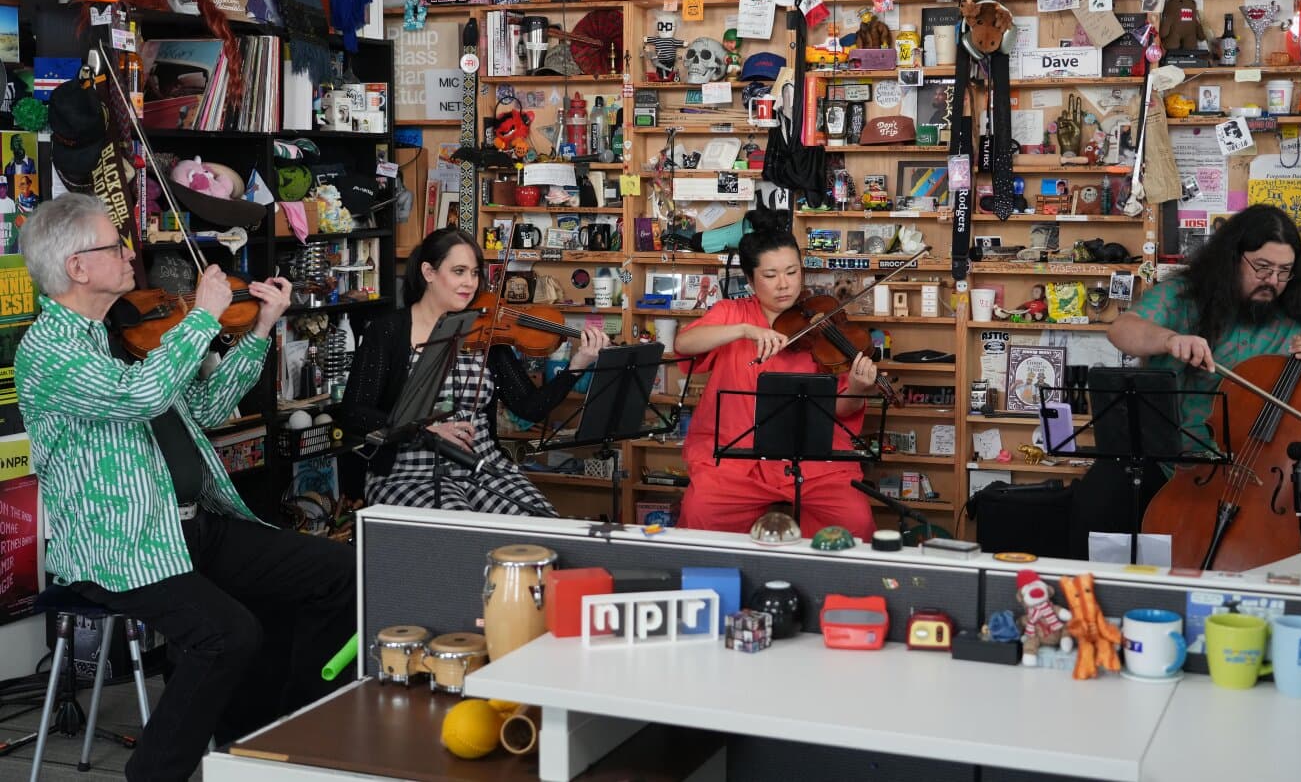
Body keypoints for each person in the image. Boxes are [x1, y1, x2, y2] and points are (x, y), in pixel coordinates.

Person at [14, 194, 355, 781]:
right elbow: (138, 398)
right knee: (229, 635)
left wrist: (260, 330)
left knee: (336, 573)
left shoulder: (120, 338)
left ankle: (279, 740)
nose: (129, 253)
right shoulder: (50, 351)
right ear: (76, 268)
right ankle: (154, 772)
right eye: (114, 245)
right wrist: (201, 316)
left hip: (190, 526)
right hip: (121, 547)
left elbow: (203, 407)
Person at [1068, 204, 1301, 557]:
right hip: (1167, 460)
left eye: (1284, 272)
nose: (1272, 281)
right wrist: (1170, 340)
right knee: (1099, 498)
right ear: (1232, 258)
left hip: (1257, 476)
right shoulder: (1184, 296)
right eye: (1262, 267)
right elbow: (1122, 330)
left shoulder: (1296, 321)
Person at [339, 227, 608, 515]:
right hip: (410, 472)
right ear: (429, 272)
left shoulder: (485, 331)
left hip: (483, 466)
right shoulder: (390, 331)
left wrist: (576, 365)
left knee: (546, 525)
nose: (469, 283)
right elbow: (354, 413)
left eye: (475, 273)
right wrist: (422, 429)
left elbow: (529, 407)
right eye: (459, 271)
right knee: (465, 534)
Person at [674, 208, 878, 541]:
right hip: (737, 459)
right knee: (701, 515)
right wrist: (744, 330)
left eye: (792, 272)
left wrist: (857, 387)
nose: (784, 285)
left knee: (855, 521)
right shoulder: (731, 313)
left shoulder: (822, 325)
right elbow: (685, 342)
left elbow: (839, 412)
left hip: (815, 463)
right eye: (770, 275)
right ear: (751, 280)